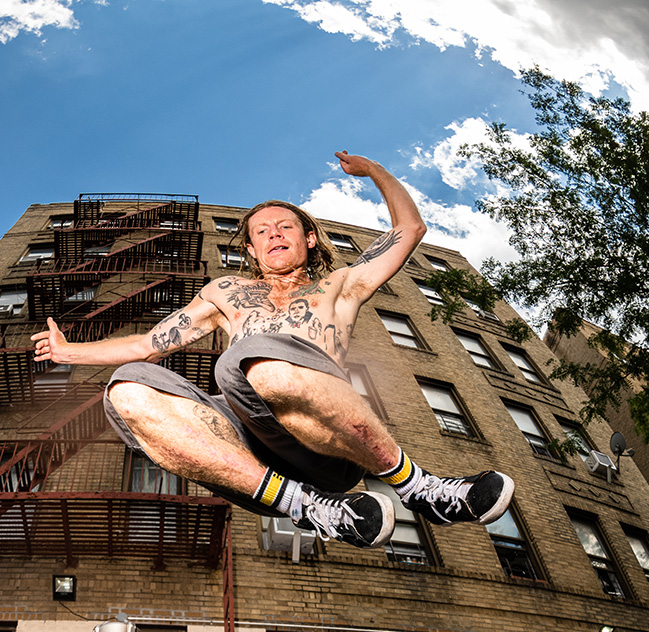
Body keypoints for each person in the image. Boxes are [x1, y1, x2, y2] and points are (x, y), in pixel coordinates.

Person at [31, 150, 514, 547]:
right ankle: (304, 507)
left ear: (307, 238)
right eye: (262, 232)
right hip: (242, 445)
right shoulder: (226, 292)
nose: (273, 234)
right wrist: (68, 351)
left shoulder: (341, 285)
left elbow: (409, 231)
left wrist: (375, 172)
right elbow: (146, 344)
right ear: (252, 250)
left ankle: (419, 487)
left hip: (324, 442)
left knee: (254, 362)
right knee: (128, 388)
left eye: (284, 226)